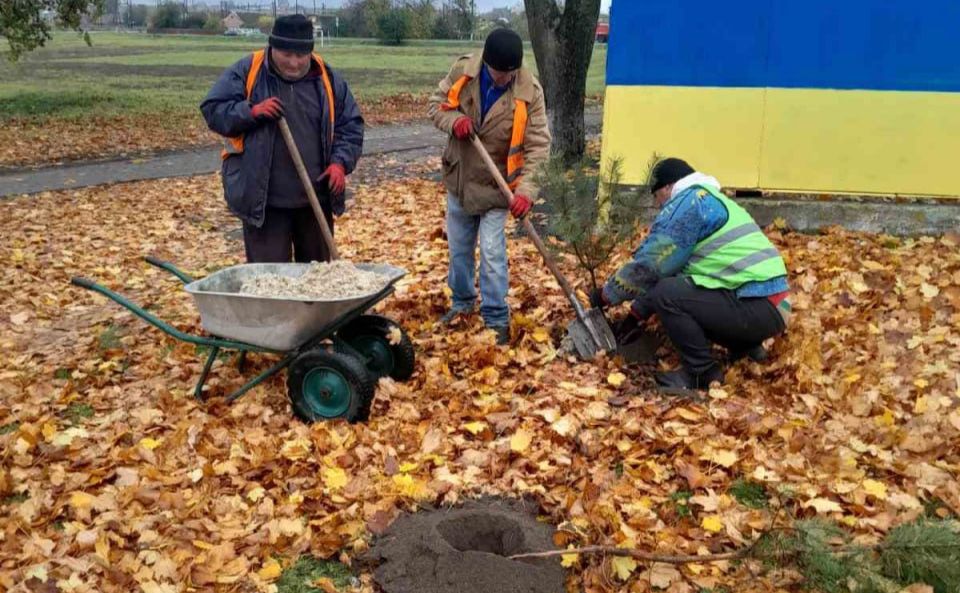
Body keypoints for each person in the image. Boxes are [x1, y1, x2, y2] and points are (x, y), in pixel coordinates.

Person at [591, 158, 791, 392]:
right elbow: (672, 268)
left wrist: (605, 296)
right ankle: (746, 347)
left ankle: (701, 373)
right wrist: (636, 315)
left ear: (667, 187)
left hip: (756, 305)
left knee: (668, 294)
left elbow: (651, 266)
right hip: (771, 306)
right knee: (681, 292)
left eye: (656, 198)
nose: (658, 207)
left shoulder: (688, 205)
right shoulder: (710, 200)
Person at [200, 14, 364, 263]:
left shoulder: (326, 78)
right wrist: (251, 111)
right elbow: (213, 109)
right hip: (265, 205)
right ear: (272, 46)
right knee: (270, 282)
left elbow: (350, 125)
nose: (294, 63)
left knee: (318, 280)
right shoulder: (249, 70)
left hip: (315, 202)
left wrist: (340, 163)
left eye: (301, 55)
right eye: (286, 54)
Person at [428, 28, 551, 345]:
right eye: (498, 74)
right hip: (461, 179)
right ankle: (462, 304)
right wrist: (454, 121)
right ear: (486, 64)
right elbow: (436, 105)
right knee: (459, 252)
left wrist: (526, 192)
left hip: (501, 188)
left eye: (509, 75)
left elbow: (539, 148)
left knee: (494, 255)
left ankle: (496, 318)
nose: (503, 80)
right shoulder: (464, 72)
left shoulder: (529, 92)